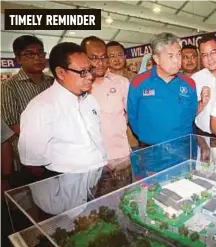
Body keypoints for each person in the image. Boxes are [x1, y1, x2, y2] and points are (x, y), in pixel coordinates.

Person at [18, 42, 107, 173]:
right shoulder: (40, 108)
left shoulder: (90, 100)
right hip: (64, 183)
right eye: (83, 72)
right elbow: (32, 162)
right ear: (61, 73)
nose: (90, 76)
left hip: (99, 176)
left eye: (90, 70)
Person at [127, 33, 197, 146]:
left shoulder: (189, 84)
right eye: (170, 56)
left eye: (179, 54)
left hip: (183, 148)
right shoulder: (139, 82)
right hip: (150, 150)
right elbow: (133, 116)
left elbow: (191, 114)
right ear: (156, 59)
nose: (176, 60)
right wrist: (148, 137)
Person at [1, 35, 54, 180]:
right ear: (18, 59)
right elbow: (12, 126)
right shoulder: (9, 86)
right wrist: (38, 152)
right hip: (29, 161)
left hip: (57, 153)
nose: (37, 58)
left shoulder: (52, 82)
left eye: (40, 53)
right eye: (30, 54)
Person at [81, 36, 131, 160]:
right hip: (90, 160)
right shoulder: (77, 86)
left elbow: (131, 114)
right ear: (83, 57)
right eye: (94, 58)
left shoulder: (121, 83)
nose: (100, 62)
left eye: (104, 57)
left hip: (120, 155)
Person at [192, 34, 216, 137]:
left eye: (213, 52)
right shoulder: (195, 79)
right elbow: (188, 113)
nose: (209, 58)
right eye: (204, 55)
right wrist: (201, 103)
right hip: (201, 136)